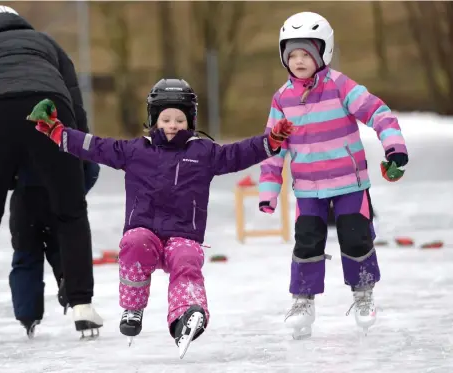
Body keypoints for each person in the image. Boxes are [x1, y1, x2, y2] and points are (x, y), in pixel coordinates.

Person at [26, 78, 293, 358]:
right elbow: (96, 146)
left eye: (180, 119)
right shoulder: (135, 151)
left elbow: (239, 153)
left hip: (183, 236)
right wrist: (58, 132)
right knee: (133, 242)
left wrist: (270, 141)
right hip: (146, 233)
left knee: (187, 260)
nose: (173, 124)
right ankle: (133, 308)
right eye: (166, 118)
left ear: (190, 121)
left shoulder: (204, 153)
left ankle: (186, 315)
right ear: (154, 120)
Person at [258, 12, 409, 339]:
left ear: (322, 53)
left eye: (306, 54)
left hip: (349, 184)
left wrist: (394, 147)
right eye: (292, 54)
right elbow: (274, 148)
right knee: (306, 243)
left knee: (356, 237)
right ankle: (303, 300)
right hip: (308, 190)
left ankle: (364, 291)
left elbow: (379, 112)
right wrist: (268, 190)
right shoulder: (281, 99)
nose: (298, 61)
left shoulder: (341, 86)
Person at [0, 5, 102, 342]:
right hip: (48, 104)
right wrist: (78, 151)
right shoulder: (45, 42)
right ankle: (82, 305)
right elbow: (74, 97)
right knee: (70, 211)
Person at [8, 160, 100, 338]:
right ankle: (75, 296)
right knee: (63, 249)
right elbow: (92, 166)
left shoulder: (14, 131)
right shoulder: (66, 131)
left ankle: (27, 314)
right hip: (61, 194)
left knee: (25, 255)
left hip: (24, 199)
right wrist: (78, 191)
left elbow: (3, 167)